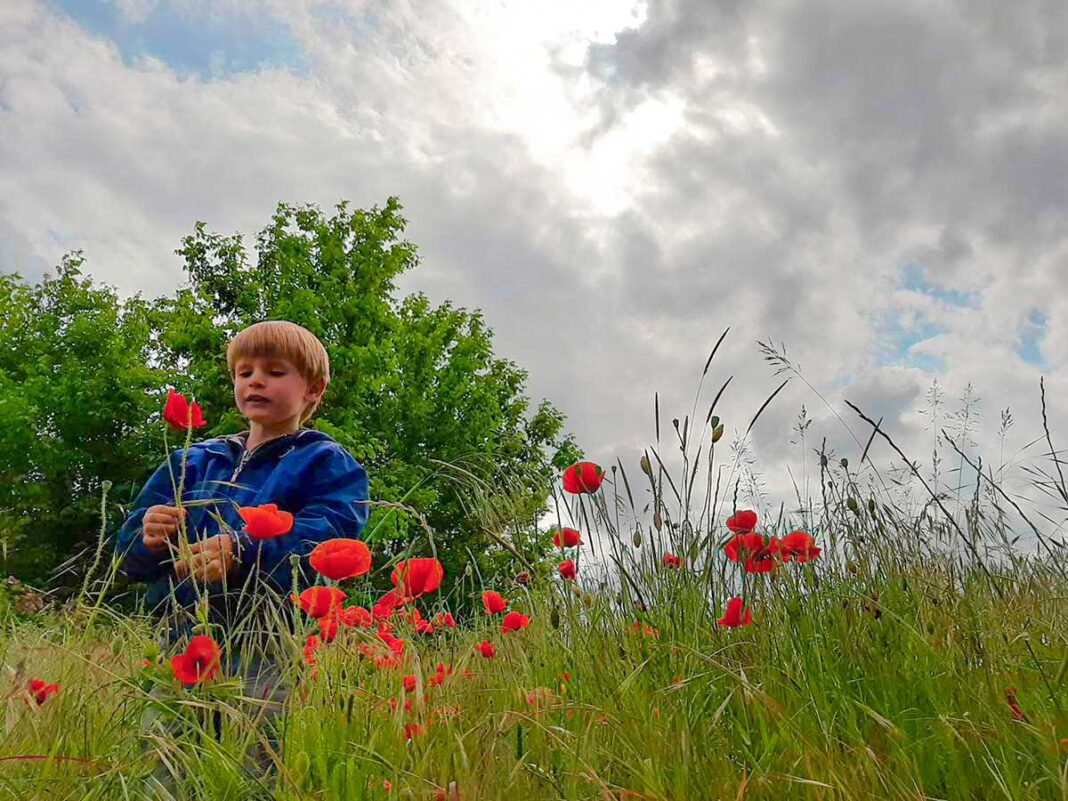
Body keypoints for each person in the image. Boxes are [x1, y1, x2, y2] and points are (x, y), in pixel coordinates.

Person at [114, 319, 369, 791]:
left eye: (275, 371)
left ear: (313, 390)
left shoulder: (324, 461)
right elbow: (126, 552)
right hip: (181, 636)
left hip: (264, 640)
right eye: (244, 371)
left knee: (251, 768)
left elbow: (335, 530)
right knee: (164, 765)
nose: (255, 381)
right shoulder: (194, 459)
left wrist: (246, 548)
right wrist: (147, 536)